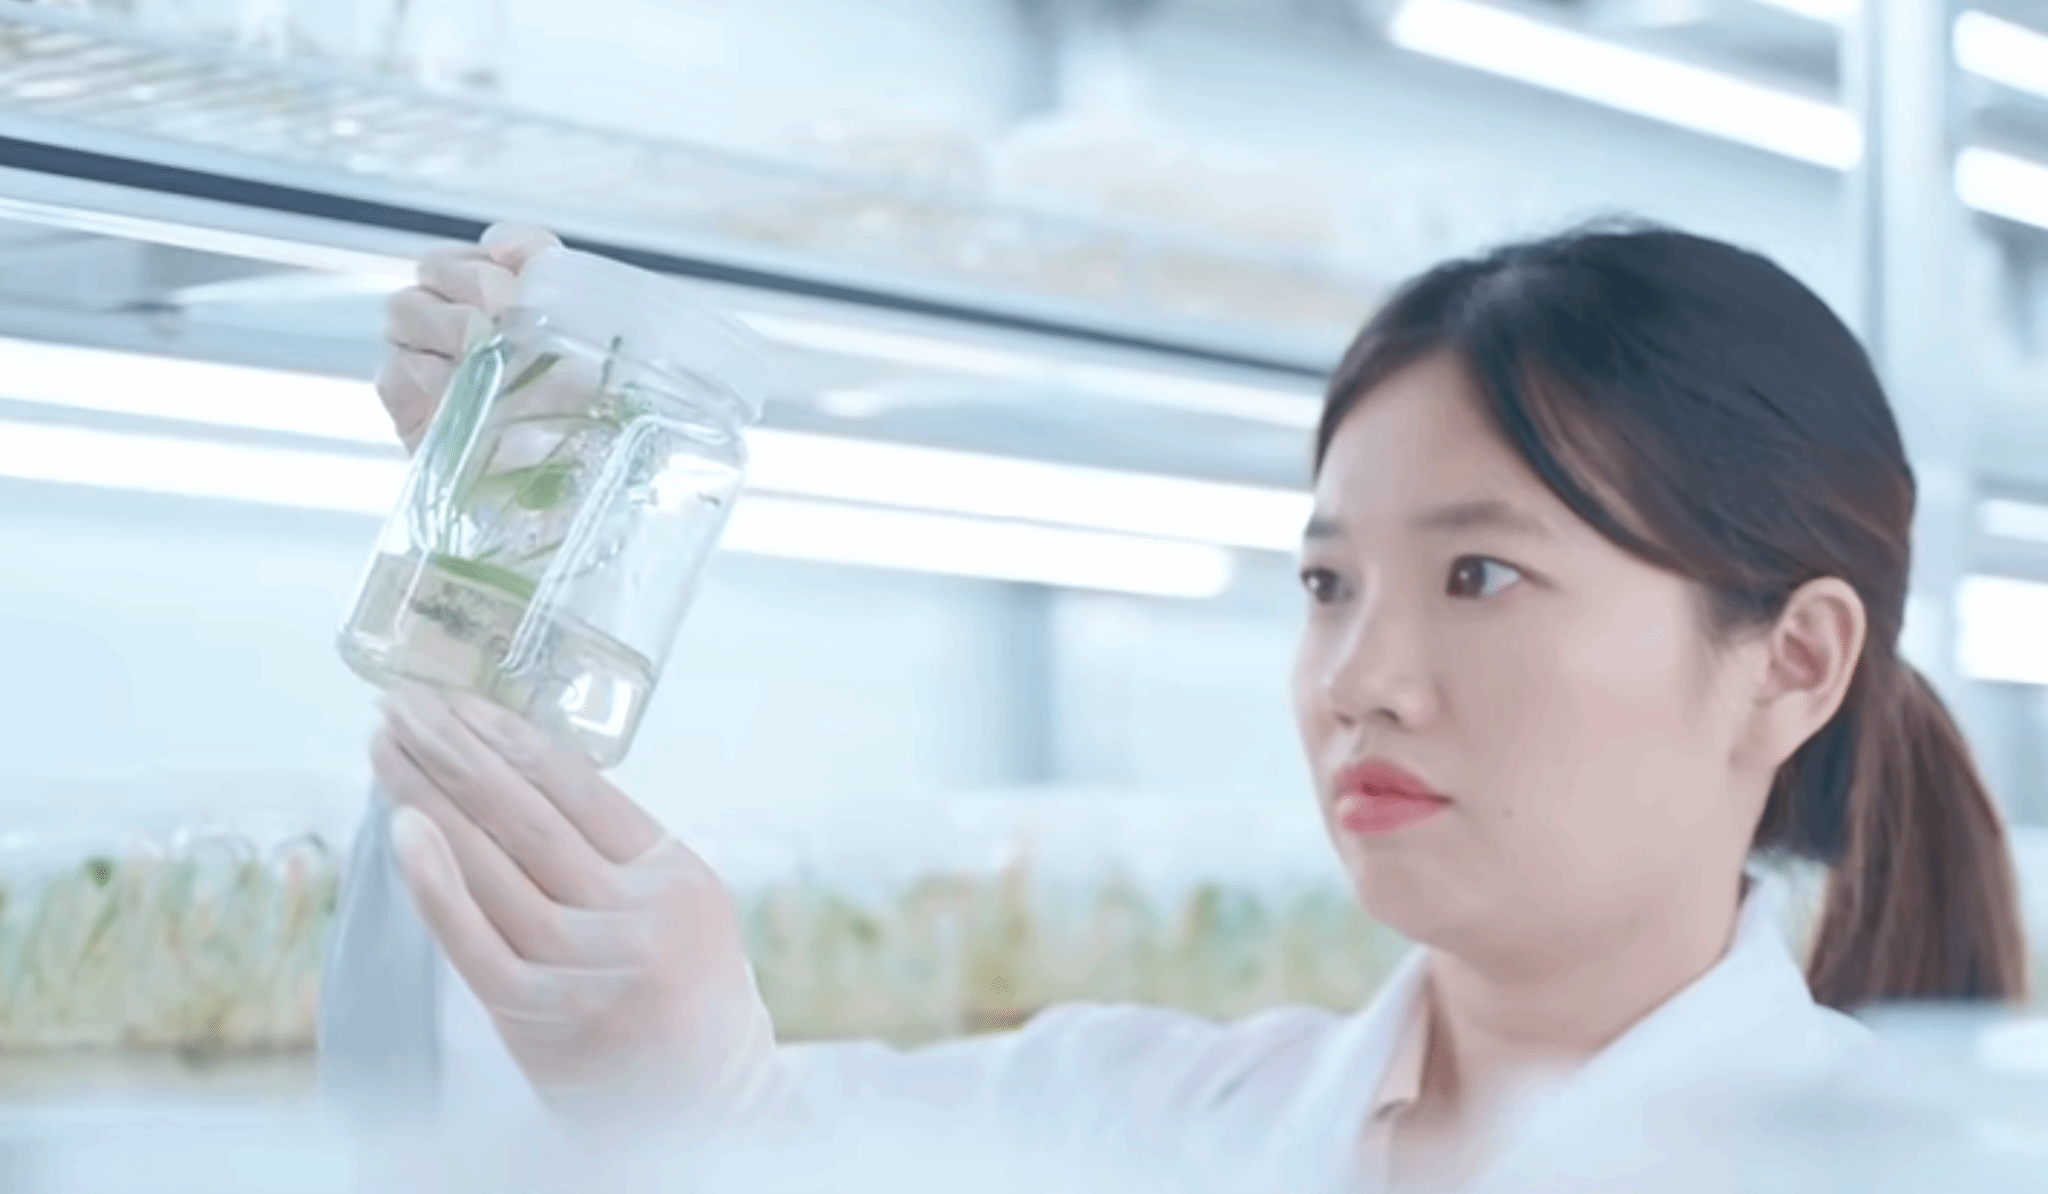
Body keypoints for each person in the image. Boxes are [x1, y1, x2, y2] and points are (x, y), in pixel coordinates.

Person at [327, 220, 2028, 1192]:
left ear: (1793, 660)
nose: (1359, 678)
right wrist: (509, 559)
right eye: (1326, 582)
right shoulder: (1135, 1115)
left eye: (1478, 574)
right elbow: (451, 1142)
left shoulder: (1929, 1169)